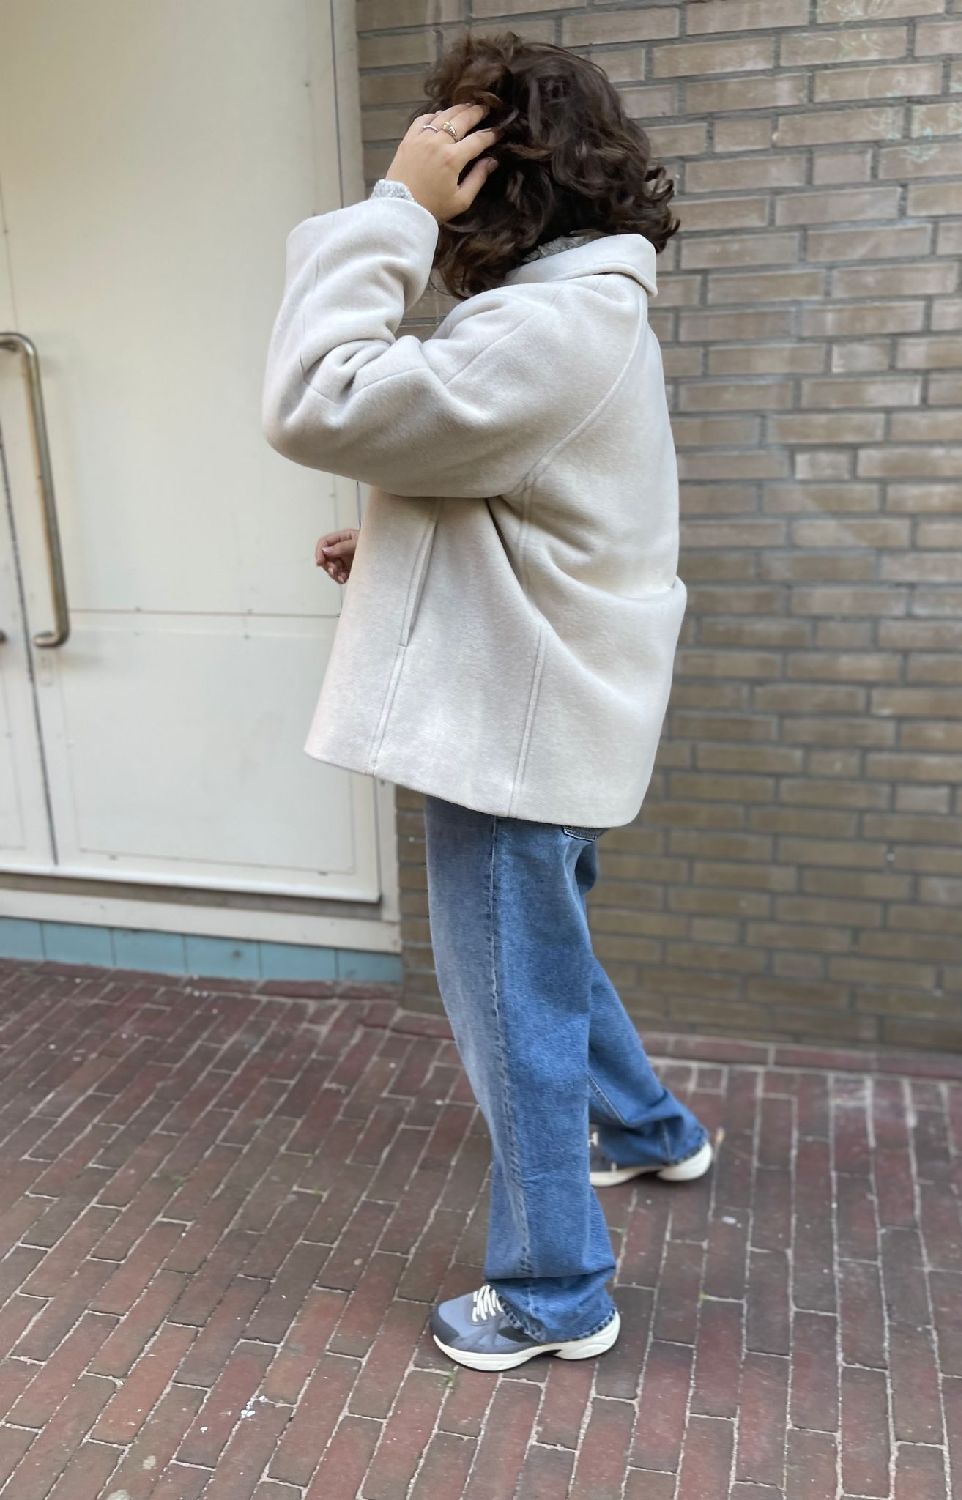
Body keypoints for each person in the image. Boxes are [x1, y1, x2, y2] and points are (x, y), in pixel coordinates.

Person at [262, 30, 713, 1373]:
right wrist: (402, 542)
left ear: (495, 176)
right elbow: (550, 500)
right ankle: (652, 1131)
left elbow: (316, 398)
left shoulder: (547, 324)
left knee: (513, 1004)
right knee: (543, 952)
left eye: (451, 152)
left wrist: (389, 211)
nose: (433, 176)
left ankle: (556, 1291)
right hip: (546, 703)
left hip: (509, 727)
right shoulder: (583, 312)